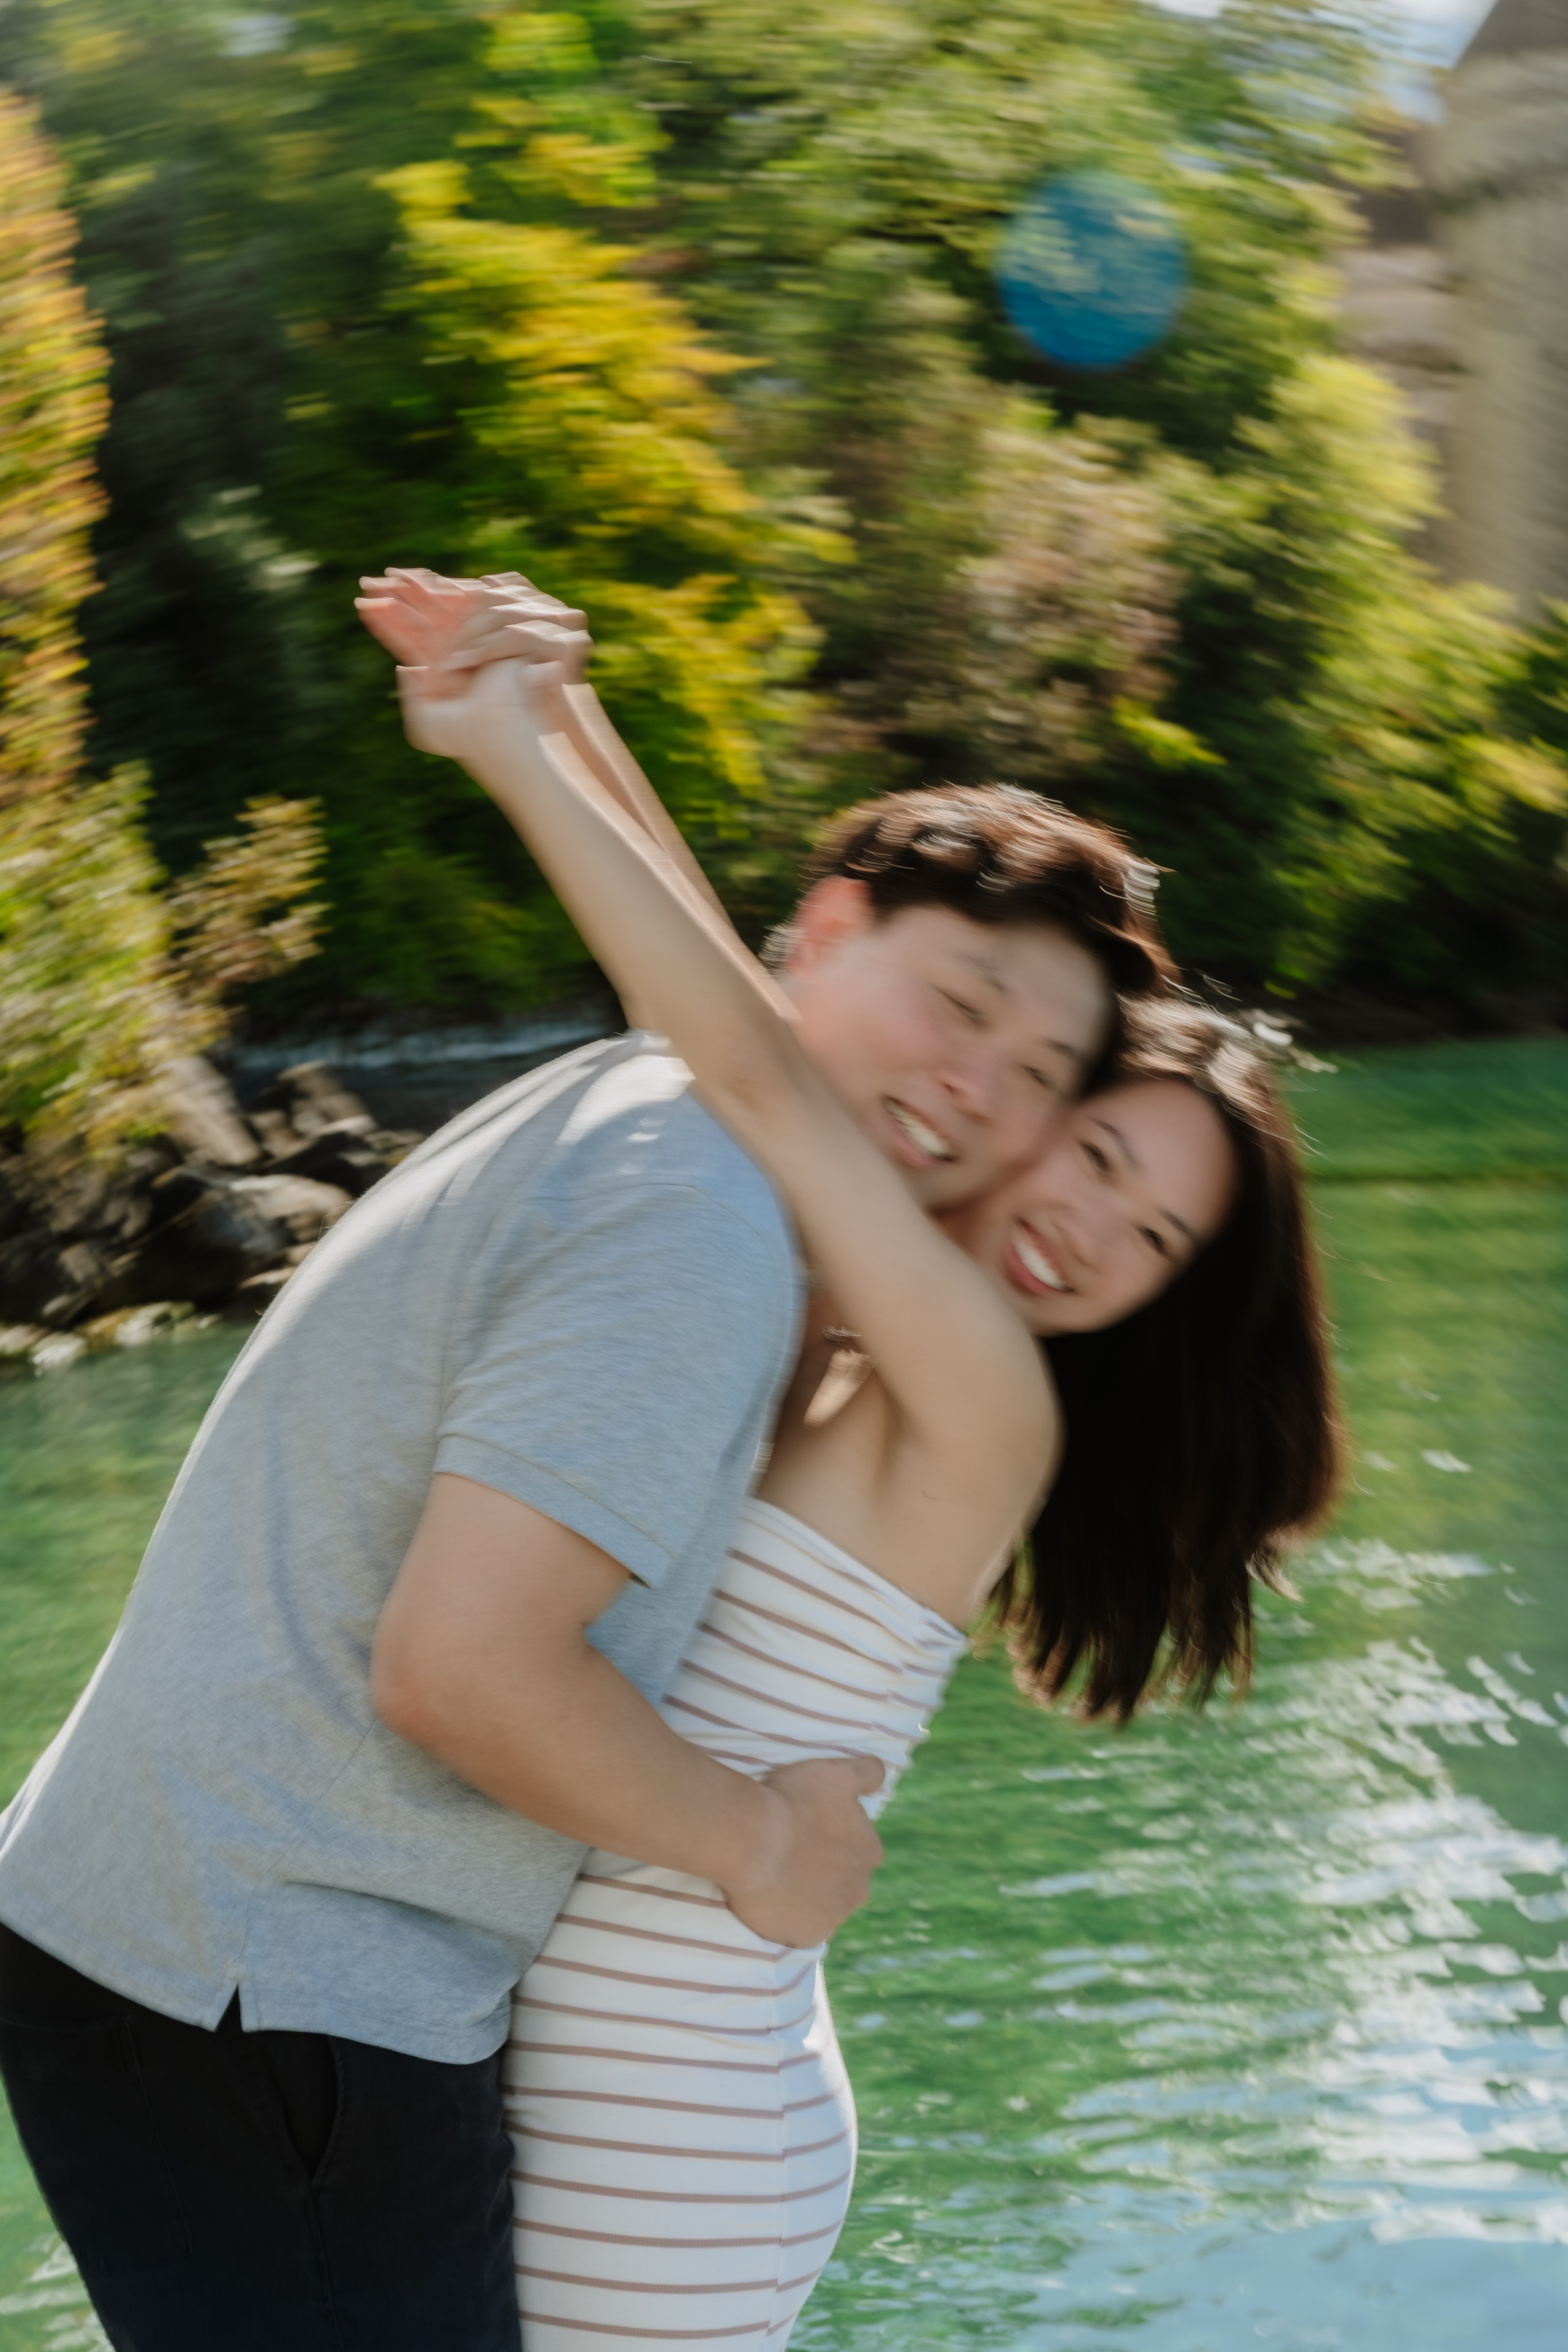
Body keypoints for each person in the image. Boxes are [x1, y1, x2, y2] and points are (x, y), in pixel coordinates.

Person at [0, 657, 1170, 2341]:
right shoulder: (692, 1230)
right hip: (283, 1982)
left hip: (192, 1941)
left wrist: (549, 715)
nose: (988, 1082)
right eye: (964, 1003)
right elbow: (464, 1671)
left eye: (1046, 1072)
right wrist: (763, 1839)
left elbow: (720, 998)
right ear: (821, 943)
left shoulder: (655, 1104)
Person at [364, 578, 1341, 2349]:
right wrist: (559, 699)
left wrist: (522, 748)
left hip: (663, 2137)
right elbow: (772, 1016)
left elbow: (753, 1063)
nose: (1087, 1228)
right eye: (1098, 1152)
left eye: (1159, 1238)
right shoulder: (843, 1332)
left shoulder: (985, 1403)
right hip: (639, 2085)